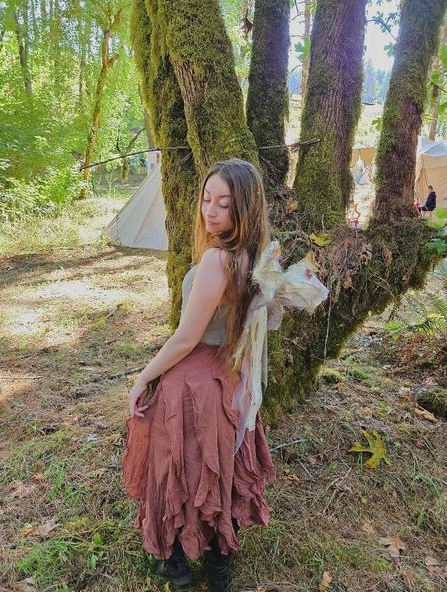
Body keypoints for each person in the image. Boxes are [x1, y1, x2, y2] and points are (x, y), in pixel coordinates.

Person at [122, 158, 328, 591]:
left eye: (224, 204)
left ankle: (176, 561)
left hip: (194, 378)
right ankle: (218, 568)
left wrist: (144, 376)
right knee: (217, 468)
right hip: (228, 378)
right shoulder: (252, 258)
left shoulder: (218, 260)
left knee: (178, 464)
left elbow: (184, 337)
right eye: (206, 199)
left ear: (245, 209)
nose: (210, 211)